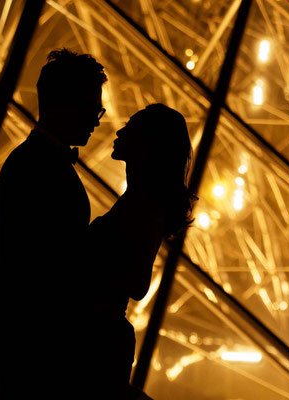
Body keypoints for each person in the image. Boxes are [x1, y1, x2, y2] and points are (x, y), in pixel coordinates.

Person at [0, 48, 108, 399]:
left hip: (22, 324)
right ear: (65, 103)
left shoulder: (31, 160)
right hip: (32, 327)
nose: (98, 117)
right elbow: (47, 257)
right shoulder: (38, 165)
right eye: (93, 105)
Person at [84, 103, 195, 399]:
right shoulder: (141, 201)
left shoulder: (144, 205)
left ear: (150, 144)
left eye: (131, 127)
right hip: (101, 339)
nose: (119, 130)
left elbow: (138, 283)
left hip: (98, 342)